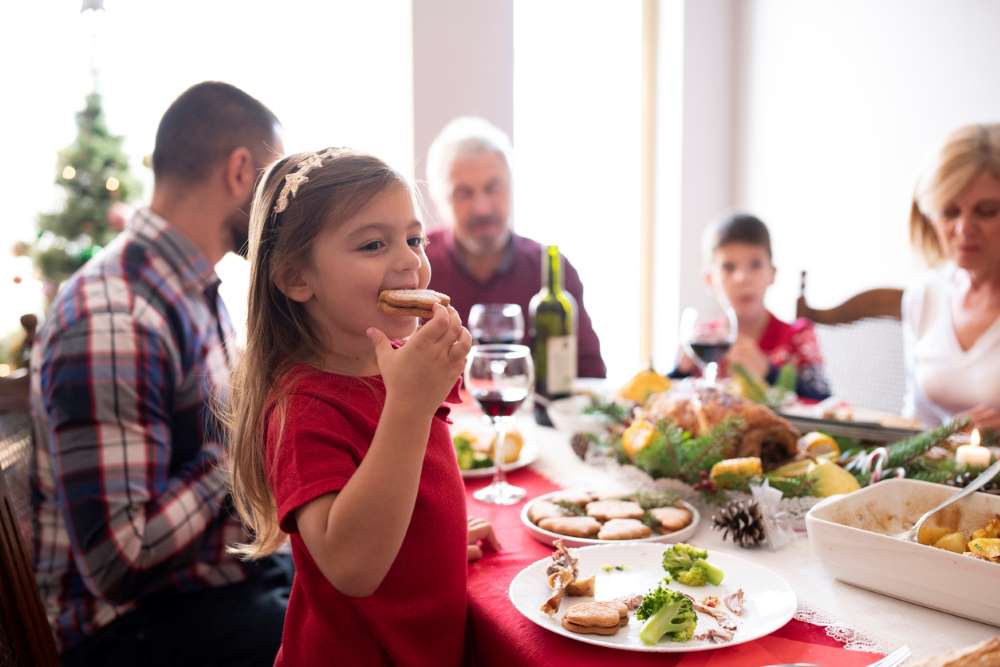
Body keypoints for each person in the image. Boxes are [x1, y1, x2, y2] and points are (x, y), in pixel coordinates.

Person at [30, 81, 290, 665]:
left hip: (209, 584)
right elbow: (120, 563)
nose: (282, 209)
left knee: (366, 581)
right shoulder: (117, 316)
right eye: (275, 185)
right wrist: (241, 441)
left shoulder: (191, 287)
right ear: (240, 170)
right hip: (127, 632)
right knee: (351, 637)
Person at [227, 147, 497, 666]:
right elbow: (352, 566)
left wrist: (426, 546)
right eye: (374, 244)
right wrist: (410, 406)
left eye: (414, 239)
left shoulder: (397, 365)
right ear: (296, 278)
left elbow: (393, 499)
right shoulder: (303, 404)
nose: (410, 261)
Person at [424, 116, 606, 377]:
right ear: (441, 199)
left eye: (493, 188)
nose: (482, 207)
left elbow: (590, 375)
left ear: (511, 188)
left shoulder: (551, 271)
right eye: (464, 193)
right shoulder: (418, 267)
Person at [674, 213, 832, 401]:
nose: (743, 278)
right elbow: (665, 398)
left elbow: (822, 396)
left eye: (755, 265)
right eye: (729, 267)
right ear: (710, 279)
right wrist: (679, 371)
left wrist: (768, 371)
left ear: (772, 274)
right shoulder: (703, 338)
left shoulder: (797, 336)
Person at [904, 123, 1000, 429]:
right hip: (936, 473)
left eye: (986, 211)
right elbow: (916, 417)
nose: (964, 229)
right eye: (950, 212)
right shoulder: (925, 295)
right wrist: (944, 438)